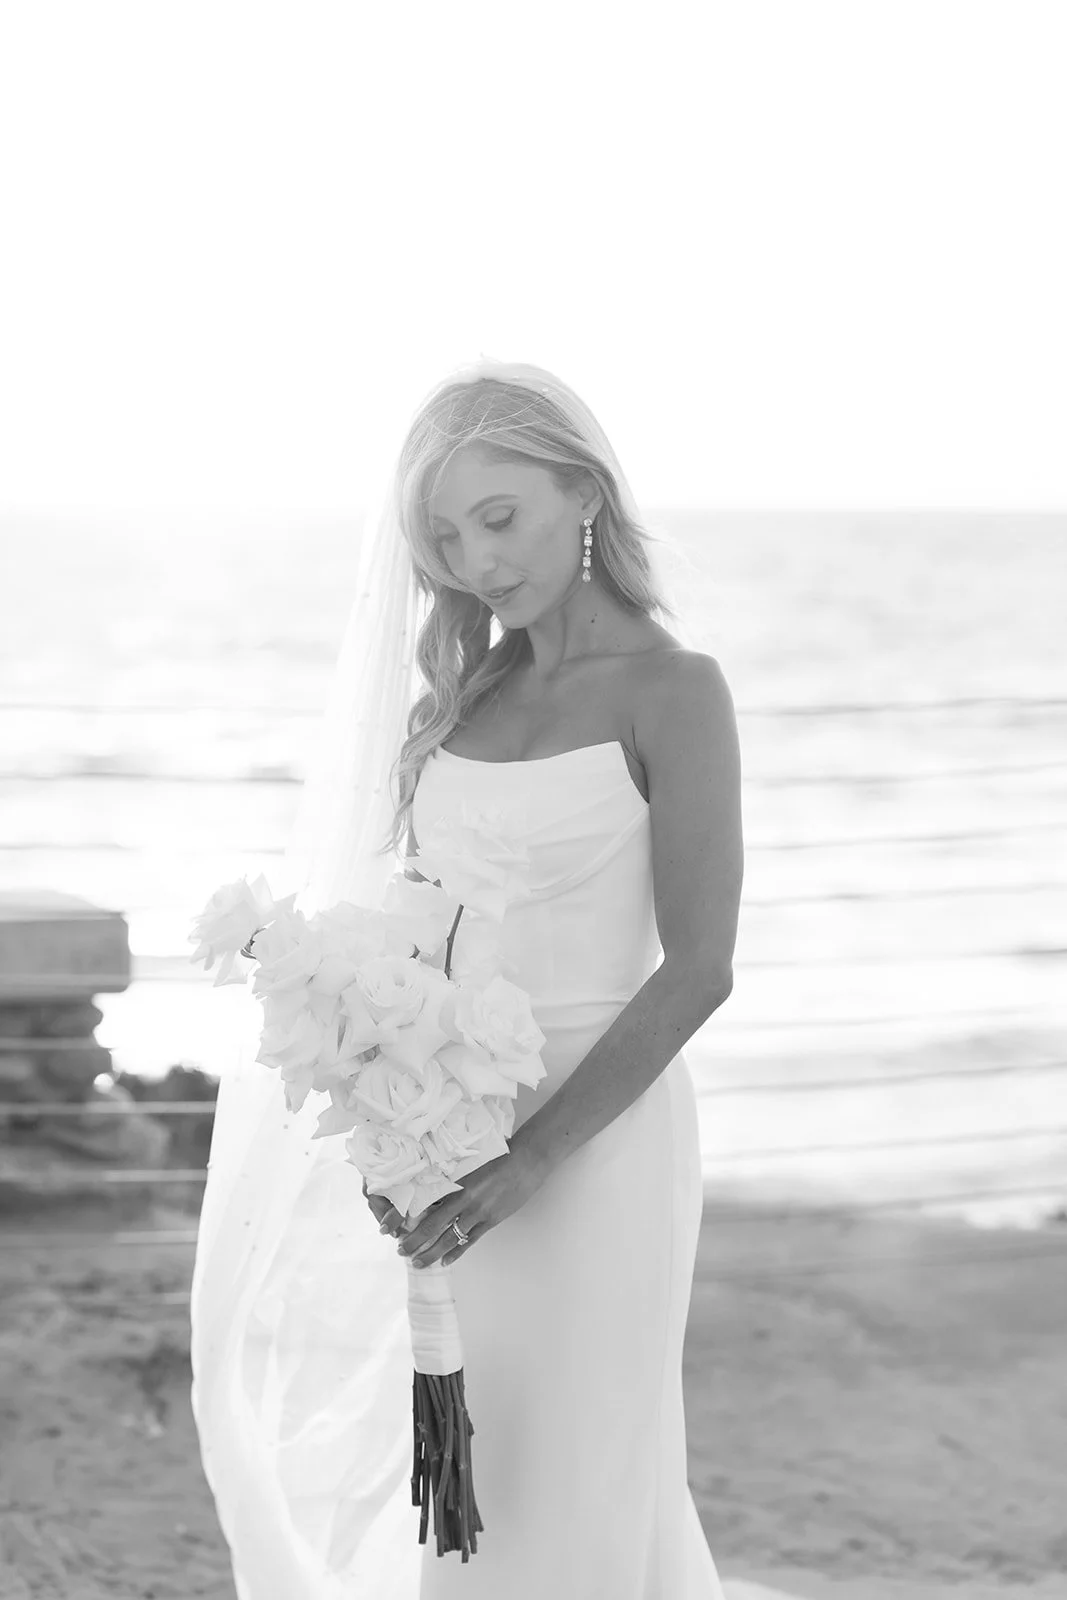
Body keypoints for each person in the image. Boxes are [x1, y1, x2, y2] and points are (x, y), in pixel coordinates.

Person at [190, 358, 743, 1599]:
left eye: (500, 517)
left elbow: (698, 969)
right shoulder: (468, 696)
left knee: (589, 1467)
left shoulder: (674, 690)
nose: (478, 561)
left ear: (581, 490)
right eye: (444, 536)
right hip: (457, 1126)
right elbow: (417, 935)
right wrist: (399, 1122)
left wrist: (530, 1158)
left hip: (596, 1147)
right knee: (483, 1494)